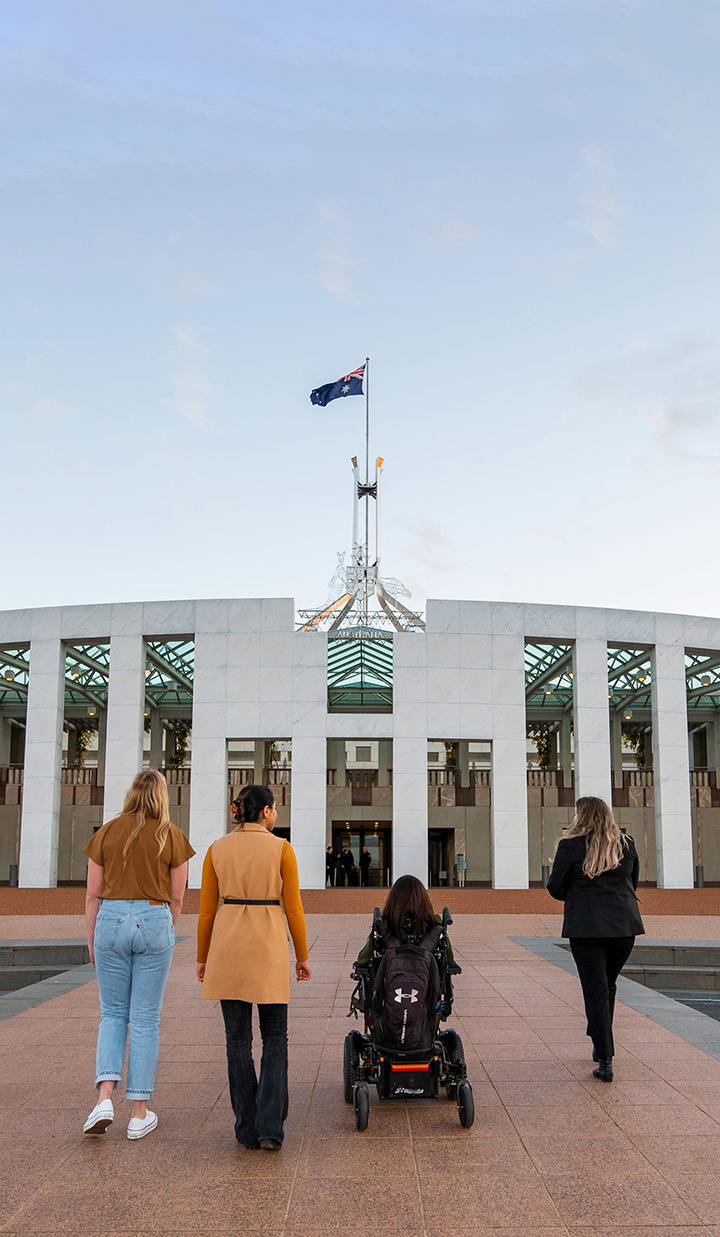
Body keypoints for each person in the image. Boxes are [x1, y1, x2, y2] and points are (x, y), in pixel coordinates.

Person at [197, 784, 311, 1150]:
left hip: (227, 944)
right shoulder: (282, 848)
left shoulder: (216, 849)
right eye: (274, 809)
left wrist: (202, 957)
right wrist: (302, 956)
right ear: (264, 812)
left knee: (237, 1040)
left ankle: (246, 1125)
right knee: (275, 1037)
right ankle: (270, 1126)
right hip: (269, 944)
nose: (276, 814)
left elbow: (205, 911)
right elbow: (293, 907)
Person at [83, 769, 195, 1139]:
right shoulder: (171, 834)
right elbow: (178, 896)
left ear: (131, 793)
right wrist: (165, 927)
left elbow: (92, 895)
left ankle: (103, 1099)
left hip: (110, 920)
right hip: (153, 915)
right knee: (145, 1019)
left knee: (112, 1014)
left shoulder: (106, 833)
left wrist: (92, 940)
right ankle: (138, 1113)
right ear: (162, 796)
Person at [547, 796, 644, 1082]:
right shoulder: (627, 844)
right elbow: (632, 883)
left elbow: (555, 887)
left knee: (595, 990)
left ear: (583, 816)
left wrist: (580, 895)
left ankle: (605, 1058)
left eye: (576, 814)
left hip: (587, 928)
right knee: (607, 986)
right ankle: (599, 1040)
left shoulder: (570, 845)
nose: (574, 819)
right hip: (624, 927)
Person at [356, 874, 455, 967]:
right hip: (426, 980)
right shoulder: (433, 923)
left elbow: (363, 959)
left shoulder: (385, 924)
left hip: (391, 980)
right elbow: (449, 958)